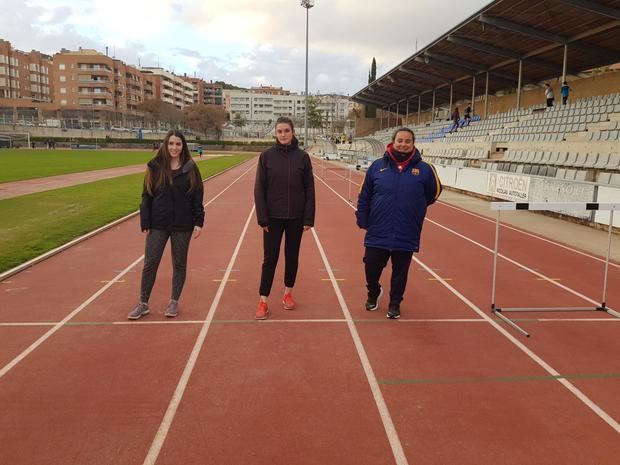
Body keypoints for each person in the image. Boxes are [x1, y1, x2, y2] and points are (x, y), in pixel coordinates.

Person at [356, 127, 442, 319]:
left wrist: (414, 208)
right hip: (378, 227)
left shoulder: (426, 170)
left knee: (400, 271)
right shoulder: (377, 166)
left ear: (413, 144)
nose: (403, 144)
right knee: (371, 265)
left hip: (406, 229)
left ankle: (395, 302)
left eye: (407, 141)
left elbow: (433, 193)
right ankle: (373, 292)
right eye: (400, 140)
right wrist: (363, 219)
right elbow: (365, 195)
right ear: (392, 142)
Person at [128, 130, 204, 320]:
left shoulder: (190, 167)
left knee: (179, 264)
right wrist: (145, 220)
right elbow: (146, 195)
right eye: (171, 144)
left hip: (182, 225)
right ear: (165, 144)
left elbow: (197, 196)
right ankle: (143, 303)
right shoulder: (155, 166)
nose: (174, 148)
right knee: (150, 263)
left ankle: (173, 301)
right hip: (158, 224)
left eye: (178, 144)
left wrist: (199, 221)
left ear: (183, 146)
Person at [254, 116, 315, 320]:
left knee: (292, 257)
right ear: (275, 133)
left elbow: (309, 189)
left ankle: (288, 293)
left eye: (286, 131)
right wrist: (262, 218)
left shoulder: (303, 158)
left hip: (296, 218)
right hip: (272, 218)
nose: (283, 134)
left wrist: (308, 218)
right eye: (279, 131)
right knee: (269, 259)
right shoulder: (266, 157)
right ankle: (263, 300)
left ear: (293, 132)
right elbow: (259, 189)